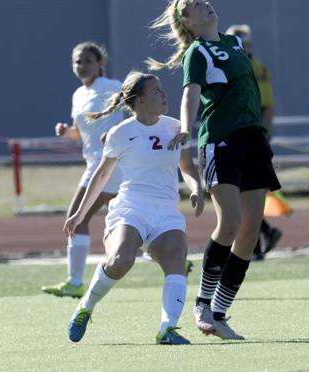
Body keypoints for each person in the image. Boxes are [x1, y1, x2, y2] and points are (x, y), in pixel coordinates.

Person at [147, 0, 281, 340]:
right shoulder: (197, 51)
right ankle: (202, 303)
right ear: (188, 21)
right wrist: (187, 128)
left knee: (251, 233)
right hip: (220, 140)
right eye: (195, 4)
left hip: (253, 139)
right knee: (231, 222)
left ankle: (219, 312)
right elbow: (191, 94)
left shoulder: (235, 42)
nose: (205, 3)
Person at [64, 71, 204, 345]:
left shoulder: (175, 127)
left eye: (162, 89)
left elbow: (186, 166)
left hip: (165, 211)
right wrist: (80, 214)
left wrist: (196, 187)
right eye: (156, 91)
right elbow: (101, 176)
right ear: (139, 101)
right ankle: (85, 308)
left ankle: (168, 328)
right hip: (131, 208)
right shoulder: (121, 133)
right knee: (120, 261)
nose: (164, 94)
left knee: (176, 257)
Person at [41, 42, 123, 299]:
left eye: (87, 60)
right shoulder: (78, 95)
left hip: (110, 164)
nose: (82, 65)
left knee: (77, 219)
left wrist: (118, 135)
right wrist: (67, 132)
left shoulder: (112, 87)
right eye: (77, 61)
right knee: (125, 218)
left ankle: (75, 282)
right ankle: (169, 256)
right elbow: (82, 134)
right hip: (95, 164)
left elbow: (136, 111)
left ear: (100, 64)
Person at [225, 24, 282, 260]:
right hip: (232, 133)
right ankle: (263, 234)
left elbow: (266, 105)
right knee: (239, 194)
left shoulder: (256, 68)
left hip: (249, 135)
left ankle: (256, 244)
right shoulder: (226, 64)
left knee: (245, 192)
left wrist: (265, 134)